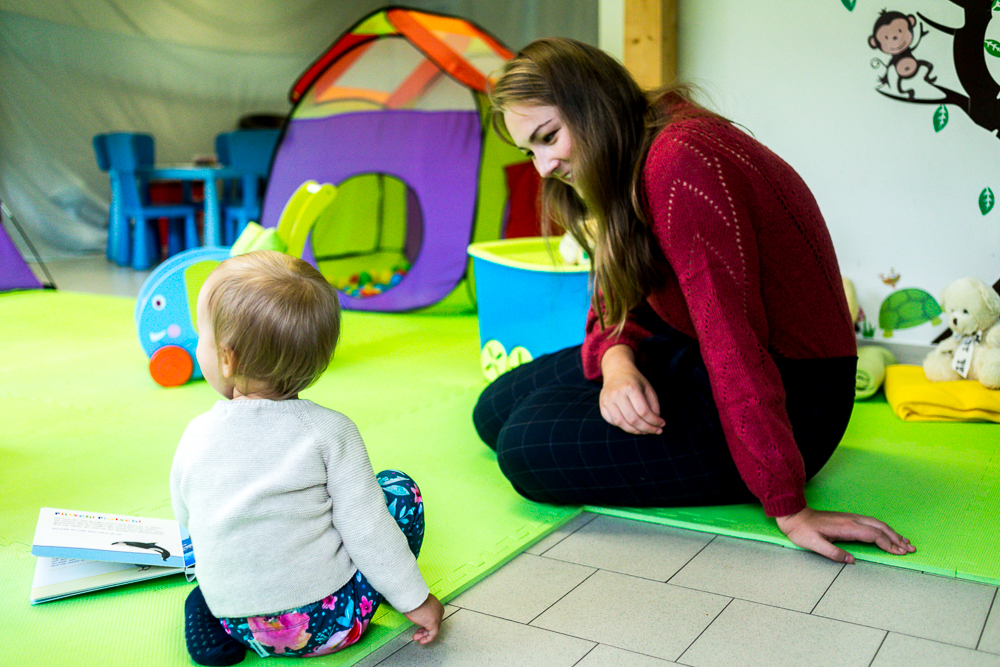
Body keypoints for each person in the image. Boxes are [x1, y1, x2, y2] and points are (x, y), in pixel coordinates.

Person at [473, 38, 916, 565]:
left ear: (591, 104)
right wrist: (617, 364)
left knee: (523, 448)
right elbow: (622, 292)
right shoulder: (632, 142)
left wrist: (788, 503)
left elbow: (734, 339)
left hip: (797, 395)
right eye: (530, 151)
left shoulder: (681, 163)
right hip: (693, 348)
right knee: (494, 411)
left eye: (549, 138)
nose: (543, 167)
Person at [170, 250, 443, 666]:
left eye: (200, 335)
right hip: (329, 624)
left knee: (216, 566)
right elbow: (369, 531)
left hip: (237, 617)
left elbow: (187, 520)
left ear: (226, 357)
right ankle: (384, 593)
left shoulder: (196, 434)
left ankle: (207, 607)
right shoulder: (330, 430)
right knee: (399, 490)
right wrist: (416, 601)